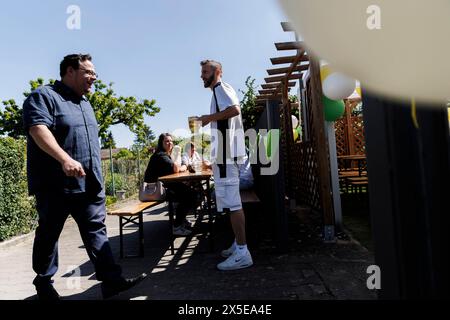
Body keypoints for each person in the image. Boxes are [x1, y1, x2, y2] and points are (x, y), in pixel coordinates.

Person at [22, 54, 146, 300]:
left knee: (96, 230)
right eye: (89, 72)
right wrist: (64, 159)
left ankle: (111, 281)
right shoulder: (43, 96)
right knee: (49, 233)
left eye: (95, 74)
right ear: (70, 71)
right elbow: (38, 129)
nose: (93, 78)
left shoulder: (85, 103)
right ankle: (43, 282)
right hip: (55, 185)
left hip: (89, 185)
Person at [197, 59, 253, 271]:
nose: (202, 75)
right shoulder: (219, 91)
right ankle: (238, 243)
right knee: (231, 203)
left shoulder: (221, 87)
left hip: (227, 156)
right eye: (201, 72)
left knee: (233, 203)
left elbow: (235, 110)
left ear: (217, 72)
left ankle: (242, 251)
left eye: (205, 72)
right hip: (225, 155)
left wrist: (207, 118)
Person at [144, 133, 196, 235]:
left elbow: (172, 170)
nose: (170, 143)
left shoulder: (164, 154)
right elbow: (176, 168)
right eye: (167, 141)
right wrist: (185, 166)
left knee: (187, 192)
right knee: (189, 194)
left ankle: (181, 220)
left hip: (162, 186)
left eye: (171, 141)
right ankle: (177, 227)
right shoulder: (160, 155)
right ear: (161, 143)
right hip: (154, 190)